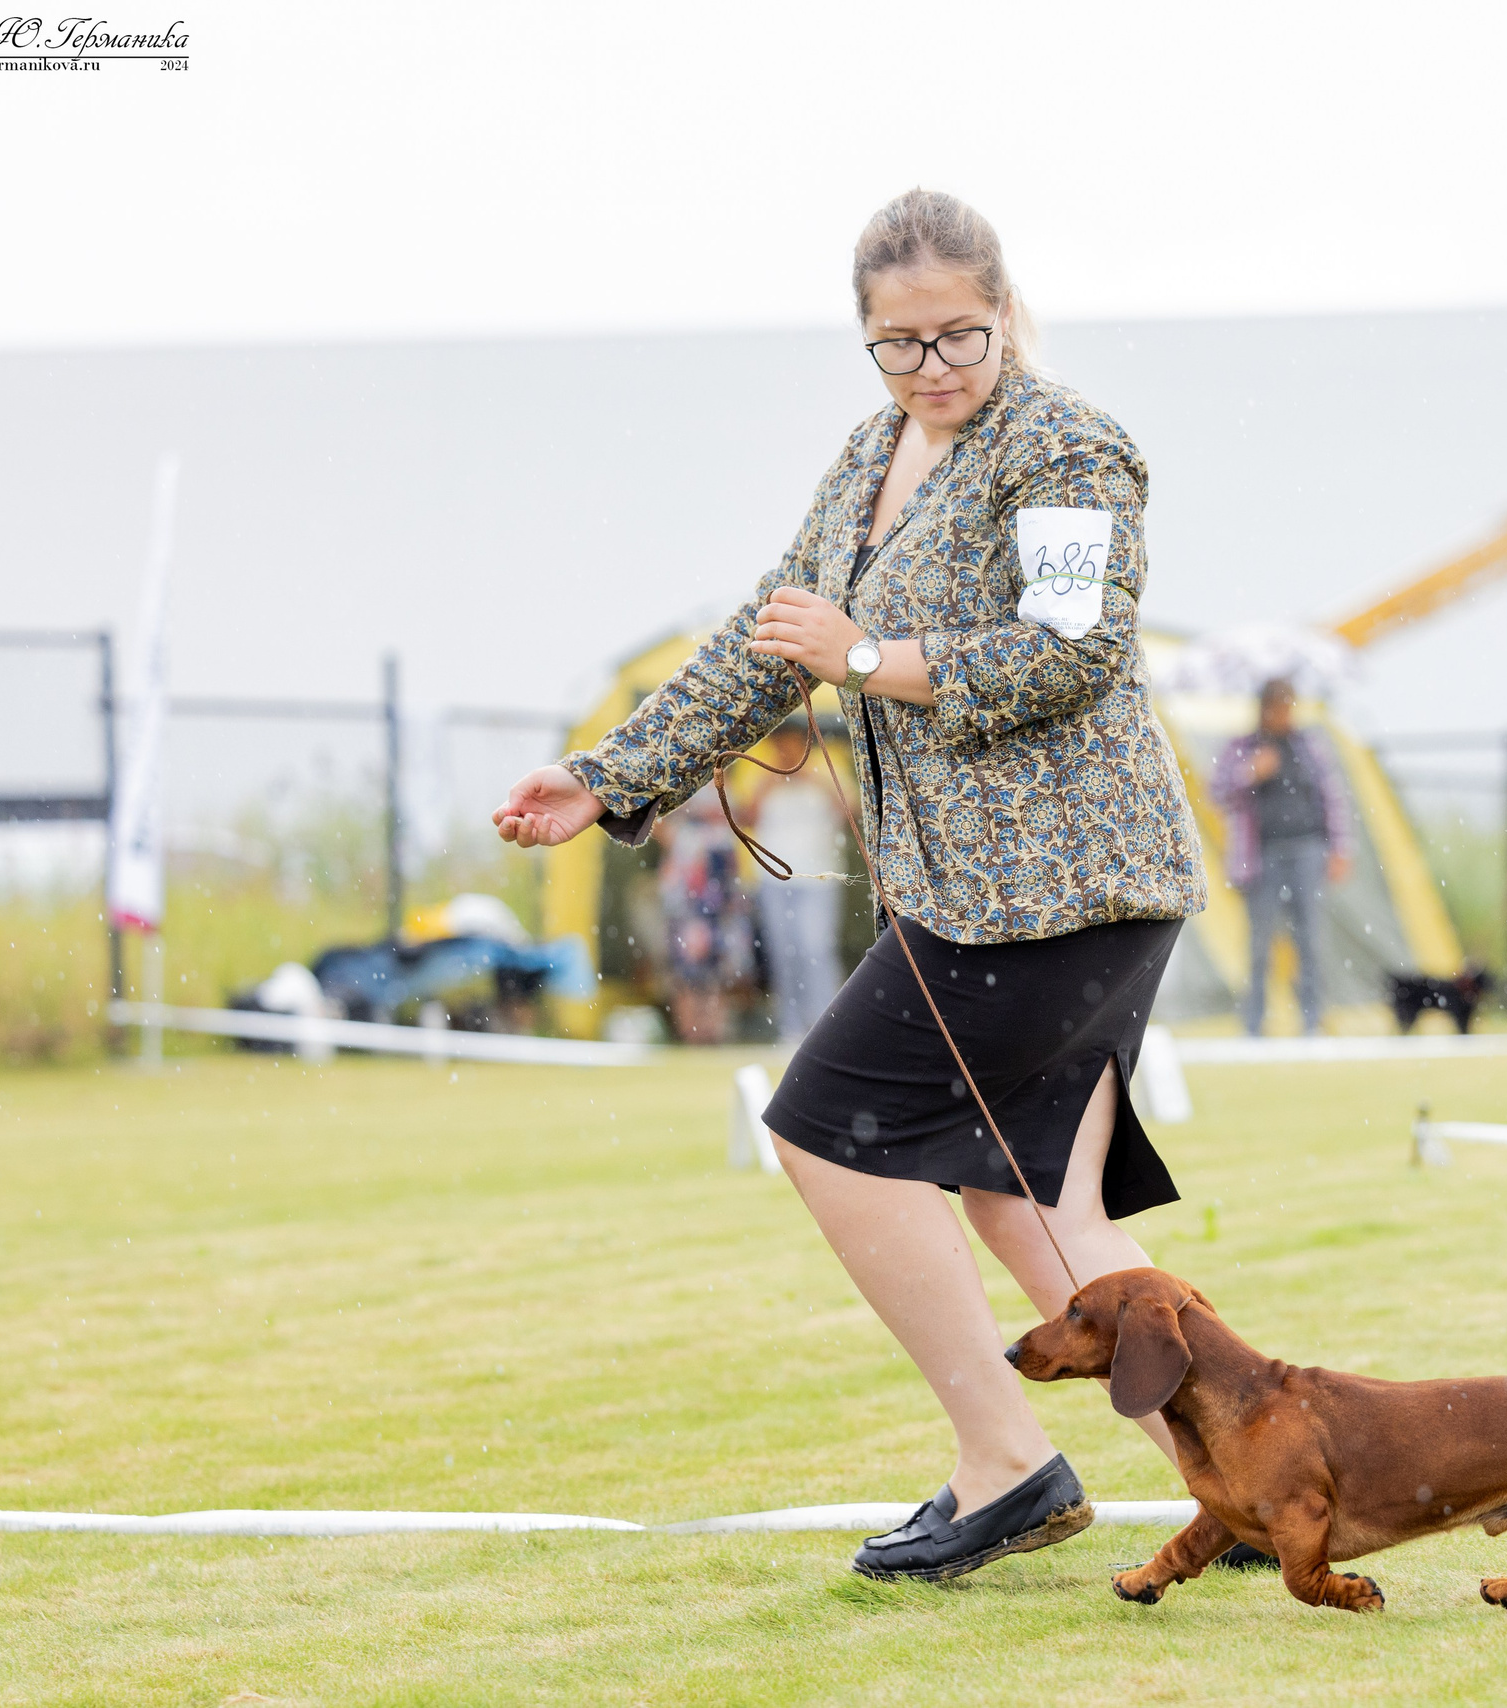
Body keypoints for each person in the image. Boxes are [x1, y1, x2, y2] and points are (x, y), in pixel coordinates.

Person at [493, 189, 1208, 1582]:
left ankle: (1009, 1464)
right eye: (899, 344)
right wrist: (611, 777)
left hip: (1061, 885)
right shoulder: (872, 451)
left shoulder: (1063, 443)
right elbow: (774, 641)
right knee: (1031, 1199)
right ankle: (1241, 1477)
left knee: (823, 1126)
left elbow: (1071, 647)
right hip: (985, 893)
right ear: (864, 340)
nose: (933, 368)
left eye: (960, 336)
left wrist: (867, 656)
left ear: (1008, 312)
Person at [1210, 678, 1353, 1036]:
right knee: (1259, 943)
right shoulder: (1242, 748)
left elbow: (1332, 797)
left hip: (1308, 850)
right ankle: (1254, 1025)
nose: (1281, 714)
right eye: (1275, 707)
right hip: (1261, 856)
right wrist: (1251, 773)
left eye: (1287, 706)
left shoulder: (1308, 746)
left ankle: (1311, 1022)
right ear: (1263, 709)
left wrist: (1340, 847)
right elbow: (1216, 791)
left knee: (1311, 939)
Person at [751, 719, 847, 1042]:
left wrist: (809, 777)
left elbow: (851, 810)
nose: (784, 751)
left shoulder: (826, 768)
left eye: (790, 743)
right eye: (779, 745)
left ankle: (826, 1024)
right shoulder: (761, 773)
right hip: (774, 879)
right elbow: (744, 815)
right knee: (783, 952)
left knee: (816, 948)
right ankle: (790, 1027)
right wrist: (772, 781)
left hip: (817, 877)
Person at [658, 793, 757, 1043]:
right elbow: (655, 821)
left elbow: (746, 816)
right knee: (686, 966)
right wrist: (680, 840)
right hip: (688, 881)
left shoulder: (730, 770)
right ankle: (691, 1032)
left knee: (719, 963)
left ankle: (712, 1031)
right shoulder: (677, 774)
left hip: (721, 881)